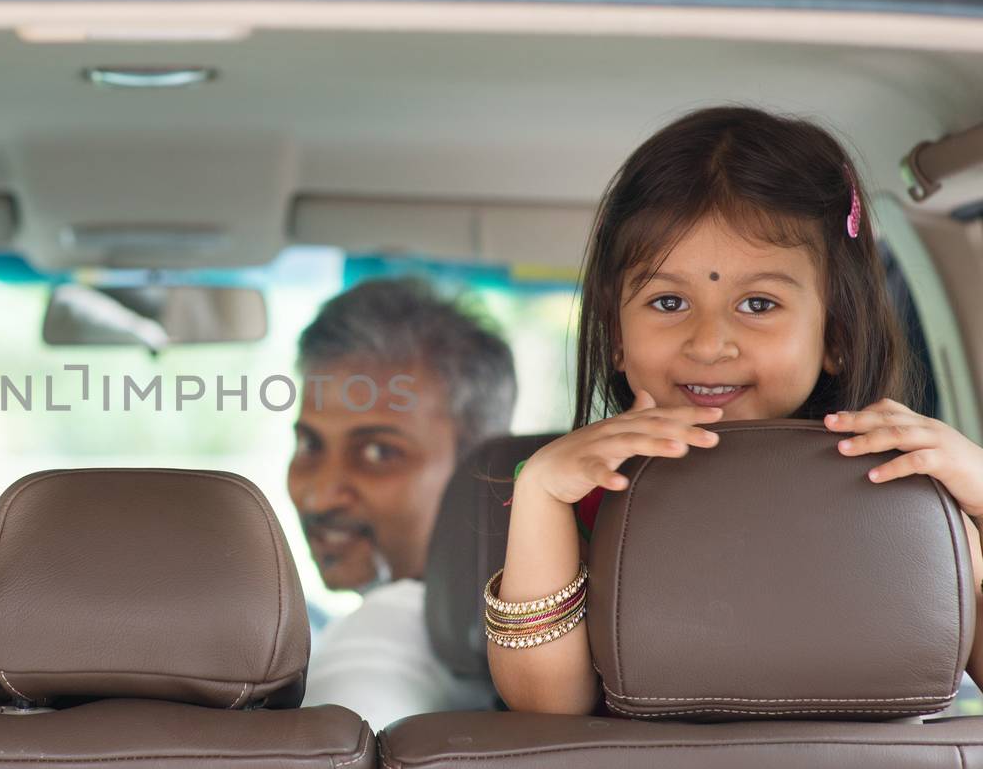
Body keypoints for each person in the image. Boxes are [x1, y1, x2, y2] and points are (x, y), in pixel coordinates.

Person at [490, 104, 983, 715]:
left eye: (758, 305)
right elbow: (549, 711)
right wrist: (541, 493)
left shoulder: (905, 493)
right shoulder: (585, 499)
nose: (709, 344)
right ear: (615, 335)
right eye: (668, 301)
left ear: (835, 335)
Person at [288, 277, 516, 728]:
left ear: (480, 471)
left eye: (379, 453)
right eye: (310, 445)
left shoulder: (374, 647)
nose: (320, 493)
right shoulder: (514, 640)